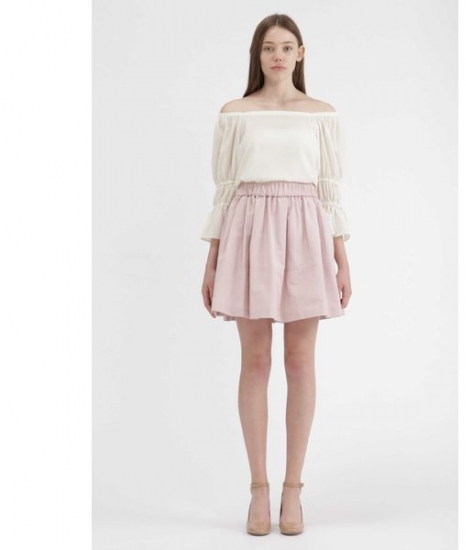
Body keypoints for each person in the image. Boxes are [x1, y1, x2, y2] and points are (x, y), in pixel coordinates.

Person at [200, 13, 352, 536]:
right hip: (248, 230)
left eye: (287, 47)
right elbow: (224, 189)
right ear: (257, 55)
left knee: (300, 360)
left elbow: (329, 188)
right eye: (269, 48)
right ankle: (258, 490)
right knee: (257, 359)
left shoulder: (321, 114)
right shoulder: (235, 113)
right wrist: (212, 258)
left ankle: (293, 491)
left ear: (301, 54)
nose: (278, 56)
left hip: (306, 231)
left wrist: (341, 257)